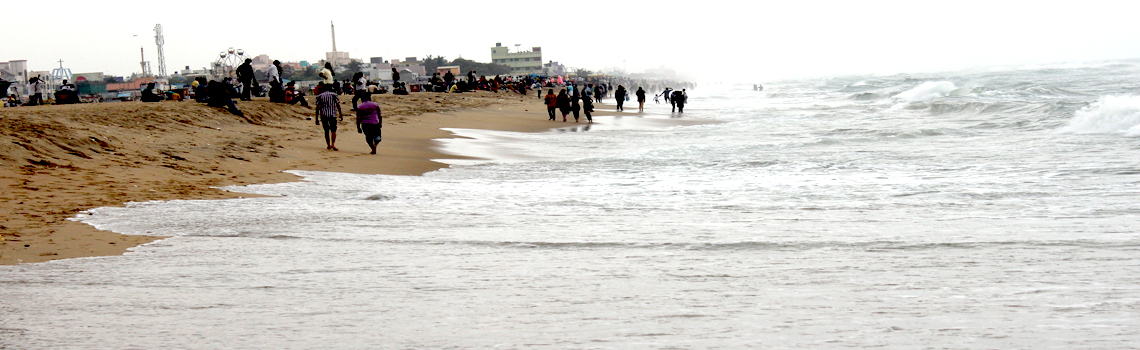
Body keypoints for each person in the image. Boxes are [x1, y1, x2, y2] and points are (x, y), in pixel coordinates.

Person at [314, 83, 343, 150]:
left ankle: (328, 144)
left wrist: (316, 118)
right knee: (333, 130)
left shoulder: (319, 96)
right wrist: (340, 114)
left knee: (326, 130)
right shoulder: (334, 95)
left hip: (324, 115)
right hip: (333, 115)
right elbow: (338, 105)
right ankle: (333, 144)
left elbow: (317, 107)